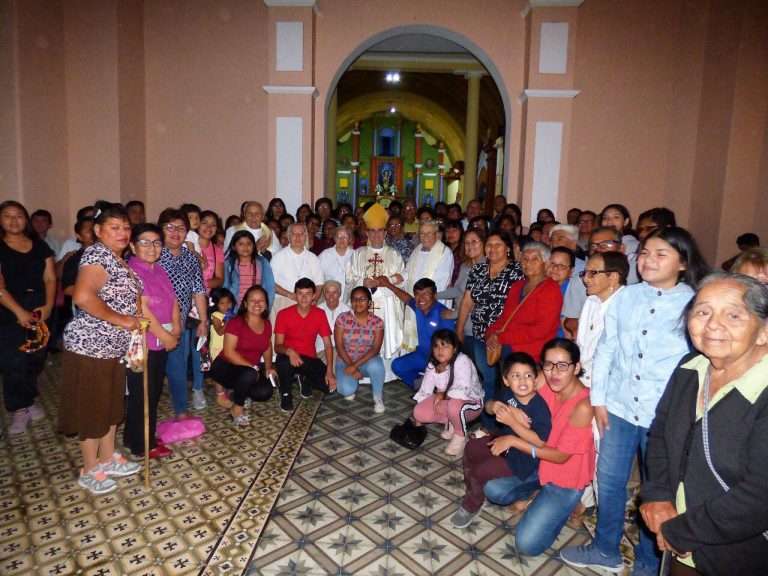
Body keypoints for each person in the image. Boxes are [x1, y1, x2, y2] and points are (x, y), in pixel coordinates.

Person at [560, 227, 709, 576]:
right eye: (644, 253)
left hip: (666, 416)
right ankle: (605, 549)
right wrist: (599, 400)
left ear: (683, 261)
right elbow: (607, 348)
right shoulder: (626, 297)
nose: (647, 260)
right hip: (619, 408)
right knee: (609, 481)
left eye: (660, 254)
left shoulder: (694, 302)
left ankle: (649, 561)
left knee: (658, 489)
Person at [640, 272, 768, 576]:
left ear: (763, 331)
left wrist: (682, 530)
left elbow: (760, 496)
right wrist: (658, 494)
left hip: (739, 554)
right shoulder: (690, 368)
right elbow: (659, 433)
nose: (713, 324)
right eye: (703, 311)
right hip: (682, 546)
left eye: (733, 314)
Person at [57, 201, 142, 494]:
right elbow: (82, 296)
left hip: (112, 348)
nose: (122, 232)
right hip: (90, 346)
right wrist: (121, 319)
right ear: (97, 230)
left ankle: (107, 458)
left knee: (109, 405)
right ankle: (89, 467)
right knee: (92, 407)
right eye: (114, 228)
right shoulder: (96, 254)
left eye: (126, 227)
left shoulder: (119, 259)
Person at [488, 338, 595, 557]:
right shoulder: (543, 382)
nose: (554, 372)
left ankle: (562, 507)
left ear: (577, 367)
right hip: (537, 465)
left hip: (564, 479)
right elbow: (499, 397)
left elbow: (561, 456)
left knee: (527, 545)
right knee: (493, 491)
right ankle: (536, 493)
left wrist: (514, 440)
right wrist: (500, 406)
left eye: (563, 365)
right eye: (548, 364)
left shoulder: (583, 406)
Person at [450, 352, 552, 528]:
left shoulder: (539, 407)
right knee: (471, 448)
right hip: (503, 441)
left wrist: (512, 421)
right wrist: (495, 405)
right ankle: (474, 489)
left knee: (481, 470)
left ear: (535, 380)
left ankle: (471, 505)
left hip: (522, 458)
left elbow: (540, 442)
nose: (522, 380)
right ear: (506, 380)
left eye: (528, 375)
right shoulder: (507, 394)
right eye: (515, 376)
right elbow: (489, 407)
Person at [456, 231, 524, 429]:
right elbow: (467, 302)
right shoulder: (477, 270)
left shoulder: (517, 271)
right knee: (489, 378)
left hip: (507, 336)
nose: (492, 249)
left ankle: (508, 424)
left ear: (508, 248)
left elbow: (520, 306)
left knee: (508, 380)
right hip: (480, 335)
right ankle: (488, 424)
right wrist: (459, 329)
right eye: (489, 245)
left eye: (498, 244)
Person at [124, 224, 180, 459]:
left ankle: (136, 435)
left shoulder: (159, 269)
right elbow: (143, 309)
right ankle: (141, 444)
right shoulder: (133, 271)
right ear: (133, 245)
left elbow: (173, 300)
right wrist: (167, 336)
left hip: (163, 339)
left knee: (153, 389)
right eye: (145, 242)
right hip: (145, 341)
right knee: (143, 392)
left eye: (156, 242)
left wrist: (176, 328)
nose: (152, 247)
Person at [0, 201, 56, 434]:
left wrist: (49, 306)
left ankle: (29, 398)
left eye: (19, 215)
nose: (14, 221)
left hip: (39, 307)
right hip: (9, 308)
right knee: (14, 360)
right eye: (7, 216)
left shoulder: (40, 246)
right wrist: (19, 312)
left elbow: (51, 279)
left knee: (35, 356)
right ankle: (19, 409)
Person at [157, 208, 209, 417]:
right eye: (169, 227)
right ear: (161, 229)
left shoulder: (191, 258)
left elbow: (198, 290)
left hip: (180, 321)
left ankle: (180, 409)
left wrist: (203, 321)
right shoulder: (154, 254)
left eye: (181, 228)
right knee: (152, 368)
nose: (175, 232)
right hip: (153, 322)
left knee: (178, 365)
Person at [486, 241, 563, 372]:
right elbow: (505, 317)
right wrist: (490, 334)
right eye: (525, 259)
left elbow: (540, 330)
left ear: (545, 262)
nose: (528, 263)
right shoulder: (518, 286)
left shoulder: (551, 290)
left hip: (531, 356)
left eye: (535, 259)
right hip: (508, 349)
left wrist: (500, 337)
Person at [345, 203, 405, 368]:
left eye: (380, 230)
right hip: (363, 305)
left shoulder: (394, 254)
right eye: (372, 230)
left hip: (387, 305)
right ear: (367, 232)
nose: (376, 234)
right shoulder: (358, 254)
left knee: (386, 336)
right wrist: (361, 282)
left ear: (385, 232)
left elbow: (402, 279)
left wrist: (388, 281)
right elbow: (349, 278)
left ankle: (387, 372)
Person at [209, 285, 276, 427]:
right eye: (252, 300)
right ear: (245, 303)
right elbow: (229, 352)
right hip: (224, 367)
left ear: (266, 304)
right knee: (249, 374)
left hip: (248, 370)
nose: (257, 304)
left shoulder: (267, 325)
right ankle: (236, 410)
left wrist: (269, 367)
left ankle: (238, 393)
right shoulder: (236, 322)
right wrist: (253, 368)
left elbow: (268, 345)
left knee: (264, 392)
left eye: (261, 300)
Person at [412, 329, 484, 456]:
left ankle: (460, 436)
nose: (440, 350)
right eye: (436, 346)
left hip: (472, 403)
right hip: (449, 401)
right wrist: (418, 421)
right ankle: (452, 422)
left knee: (454, 405)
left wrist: (442, 395)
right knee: (418, 412)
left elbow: (462, 390)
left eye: (445, 345)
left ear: (455, 348)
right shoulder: (432, 365)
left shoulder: (462, 360)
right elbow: (426, 391)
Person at [380, 277, 456, 388]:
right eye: (417, 294)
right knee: (397, 365)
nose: (421, 298)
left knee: (445, 381)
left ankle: (435, 386)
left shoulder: (443, 314)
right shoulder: (418, 307)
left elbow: (451, 345)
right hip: (422, 356)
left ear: (434, 296)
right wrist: (388, 284)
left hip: (439, 360)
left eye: (426, 294)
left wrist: (443, 365)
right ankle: (422, 387)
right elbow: (406, 298)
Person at [273, 278, 336, 412]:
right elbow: (277, 346)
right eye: (300, 293)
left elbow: (328, 345)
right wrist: (290, 351)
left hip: (309, 360)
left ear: (314, 296)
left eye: (308, 294)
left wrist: (330, 372)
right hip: (289, 359)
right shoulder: (283, 314)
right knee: (282, 361)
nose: (303, 297)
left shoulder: (320, 314)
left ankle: (304, 378)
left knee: (330, 388)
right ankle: (286, 395)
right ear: (295, 294)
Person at [402, 220, 454, 351]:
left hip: (432, 306)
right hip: (416, 302)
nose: (425, 237)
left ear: (437, 235)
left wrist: (421, 298)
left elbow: (440, 283)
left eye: (429, 234)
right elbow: (408, 272)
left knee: (432, 343)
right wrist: (397, 277)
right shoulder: (417, 250)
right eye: (422, 233)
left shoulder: (444, 253)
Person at [334, 286, 386, 412]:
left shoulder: (377, 322)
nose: (358, 302)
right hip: (345, 360)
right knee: (345, 390)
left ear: (369, 302)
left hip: (367, 360)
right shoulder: (342, 318)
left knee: (377, 365)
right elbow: (339, 345)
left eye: (362, 299)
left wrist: (354, 366)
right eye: (354, 299)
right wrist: (350, 365)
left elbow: (375, 349)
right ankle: (351, 382)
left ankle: (377, 397)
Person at [438, 228, 486, 357]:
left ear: (484, 243)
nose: (470, 246)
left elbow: (475, 301)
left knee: (479, 368)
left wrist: (453, 314)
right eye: (466, 242)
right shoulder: (465, 265)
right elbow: (459, 290)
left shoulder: (487, 267)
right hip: (462, 323)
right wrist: (436, 295)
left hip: (476, 326)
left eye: (474, 241)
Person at [270, 222, 324, 322]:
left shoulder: (312, 257)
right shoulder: (279, 256)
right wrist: (290, 295)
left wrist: (314, 300)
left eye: (301, 233)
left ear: (306, 236)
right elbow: (271, 283)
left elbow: (319, 283)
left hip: (306, 304)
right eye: (294, 233)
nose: (298, 237)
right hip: (284, 301)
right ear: (289, 236)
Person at [223, 230, 275, 314]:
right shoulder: (228, 264)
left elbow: (270, 288)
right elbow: (224, 288)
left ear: (254, 246)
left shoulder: (262, 262)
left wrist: (266, 310)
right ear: (233, 247)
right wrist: (227, 310)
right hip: (234, 310)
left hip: (256, 308)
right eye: (241, 244)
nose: (245, 247)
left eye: (249, 243)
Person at [208, 286, 236, 408]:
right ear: (216, 305)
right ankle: (220, 394)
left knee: (230, 368)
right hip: (217, 347)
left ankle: (230, 389)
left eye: (228, 302)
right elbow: (219, 331)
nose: (226, 306)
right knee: (219, 371)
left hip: (229, 347)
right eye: (222, 303)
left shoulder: (233, 315)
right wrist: (228, 320)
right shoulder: (216, 315)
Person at [316, 280, 350, 361]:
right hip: (321, 351)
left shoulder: (347, 311)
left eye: (334, 292)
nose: (331, 296)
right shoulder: (317, 310)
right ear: (324, 294)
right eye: (328, 292)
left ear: (339, 294)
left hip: (343, 351)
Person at [318, 226, 353, 302]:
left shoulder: (355, 255)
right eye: (339, 236)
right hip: (329, 301)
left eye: (345, 237)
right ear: (334, 238)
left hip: (350, 301)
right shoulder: (325, 255)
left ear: (350, 239)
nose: (342, 239)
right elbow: (317, 278)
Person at [548, 246, 575, 338]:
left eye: (562, 266)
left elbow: (569, 332)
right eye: (552, 263)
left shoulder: (573, 291)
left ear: (571, 271)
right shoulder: (539, 286)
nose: (555, 268)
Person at [197, 210, 224, 293]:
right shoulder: (188, 246)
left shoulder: (217, 249)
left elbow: (220, 279)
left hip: (207, 296)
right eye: (205, 223)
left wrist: (202, 284)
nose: (209, 227)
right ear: (197, 225)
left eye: (213, 225)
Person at [444, 220, 464, 285]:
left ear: (461, 232)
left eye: (454, 230)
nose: (450, 233)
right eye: (447, 231)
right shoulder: (443, 250)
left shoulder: (464, 251)